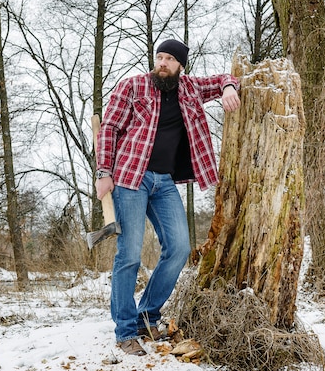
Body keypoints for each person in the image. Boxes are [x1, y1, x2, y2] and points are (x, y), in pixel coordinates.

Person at [95, 39, 240, 356]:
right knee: (129, 255)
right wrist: (103, 172)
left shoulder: (190, 88)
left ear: (180, 65)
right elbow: (108, 128)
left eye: (169, 59)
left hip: (164, 182)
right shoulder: (133, 86)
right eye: (159, 56)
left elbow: (222, 80)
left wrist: (229, 87)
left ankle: (148, 316)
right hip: (130, 178)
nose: (162, 62)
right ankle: (125, 331)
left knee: (179, 248)